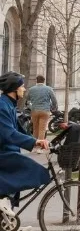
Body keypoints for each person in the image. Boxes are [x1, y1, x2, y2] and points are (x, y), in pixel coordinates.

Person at [0, 72, 51, 222]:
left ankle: (6, 222)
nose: (24, 89)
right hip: (3, 152)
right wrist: (34, 142)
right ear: (14, 89)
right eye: (21, 86)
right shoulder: (2, 106)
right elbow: (8, 133)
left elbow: (18, 129)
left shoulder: (8, 104)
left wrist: (35, 141)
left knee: (14, 185)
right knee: (29, 167)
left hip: (7, 150)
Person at [25, 75, 57, 141]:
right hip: (45, 111)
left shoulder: (31, 89)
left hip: (34, 111)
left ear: (37, 80)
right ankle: (40, 146)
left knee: (35, 129)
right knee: (42, 129)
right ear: (44, 81)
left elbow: (27, 100)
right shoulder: (49, 89)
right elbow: (54, 100)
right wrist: (54, 108)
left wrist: (31, 106)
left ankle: (34, 144)